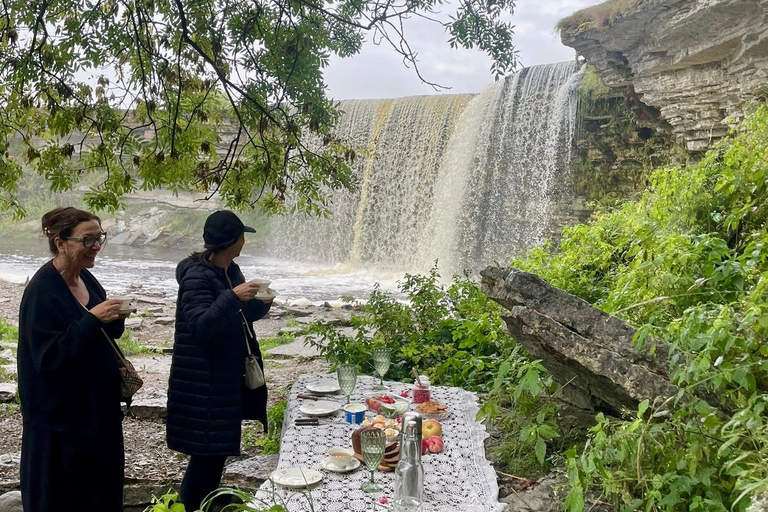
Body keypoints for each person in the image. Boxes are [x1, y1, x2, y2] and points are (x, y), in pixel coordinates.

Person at [17, 207, 129, 512]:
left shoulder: (88, 280)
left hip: (99, 421)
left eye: (99, 238)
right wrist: (93, 320)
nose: (96, 246)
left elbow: (96, 336)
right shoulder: (42, 291)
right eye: (88, 239)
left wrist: (113, 318)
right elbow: (48, 359)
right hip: (59, 430)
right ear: (60, 243)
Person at [166, 210, 273, 511]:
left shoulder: (231, 270)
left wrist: (261, 305)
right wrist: (233, 297)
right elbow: (201, 327)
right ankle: (193, 508)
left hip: (224, 381)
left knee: (214, 456)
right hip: (202, 384)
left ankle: (203, 506)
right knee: (205, 458)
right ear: (232, 241)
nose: (244, 242)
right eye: (242, 237)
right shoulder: (196, 277)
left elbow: (239, 317)